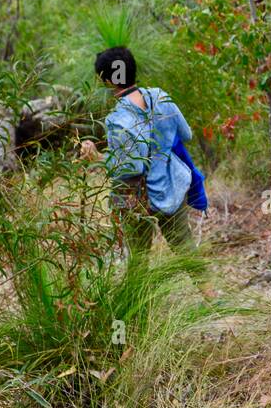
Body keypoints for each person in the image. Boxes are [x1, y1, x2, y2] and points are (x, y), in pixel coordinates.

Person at [80, 46, 197, 257]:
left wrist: (96, 157)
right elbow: (186, 134)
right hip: (171, 186)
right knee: (187, 253)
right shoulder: (161, 97)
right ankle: (211, 291)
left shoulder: (116, 119)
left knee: (138, 261)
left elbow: (129, 168)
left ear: (109, 81)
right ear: (132, 69)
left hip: (136, 199)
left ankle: (142, 292)